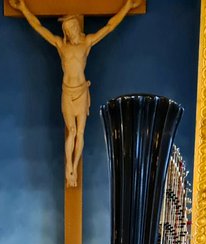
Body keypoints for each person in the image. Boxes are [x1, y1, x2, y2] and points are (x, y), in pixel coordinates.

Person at [10, 0, 140, 187]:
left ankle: (74, 166)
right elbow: (38, 27)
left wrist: (127, 6)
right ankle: (68, 168)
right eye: (67, 31)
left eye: (72, 28)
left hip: (81, 92)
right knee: (71, 131)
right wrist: (23, 8)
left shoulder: (86, 44)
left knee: (80, 132)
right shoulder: (61, 46)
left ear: (76, 27)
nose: (70, 33)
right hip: (67, 93)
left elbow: (109, 27)